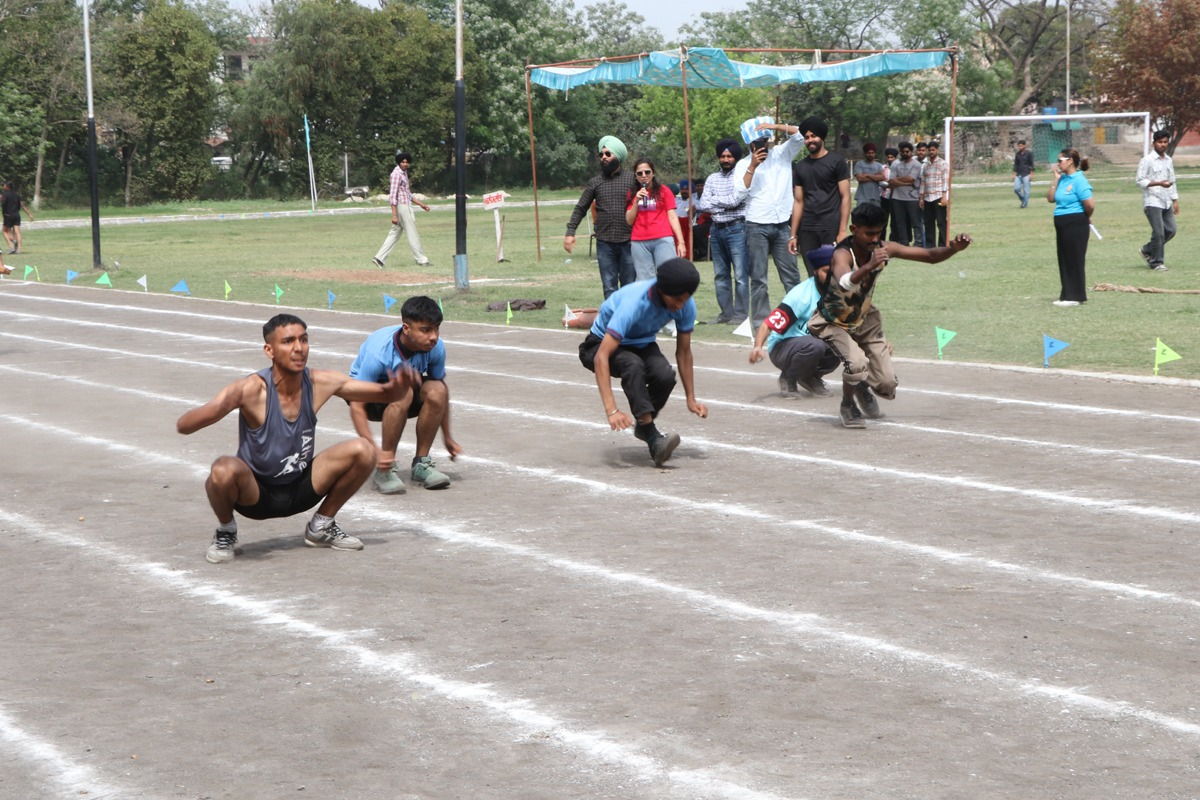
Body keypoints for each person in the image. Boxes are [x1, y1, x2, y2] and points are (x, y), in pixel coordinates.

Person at [176, 313, 420, 564]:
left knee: (363, 449)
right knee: (222, 470)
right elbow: (184, 426)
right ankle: (226, 531)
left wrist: (398, 385)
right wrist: (222, 405)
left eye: (304, 340)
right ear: (269, 350)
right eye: (288, 341)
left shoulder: (320, 381)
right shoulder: (250, 389)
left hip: (301, 487)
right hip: (256, 495)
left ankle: (321, 525)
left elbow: (382, 394)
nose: (298, 348)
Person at [807, 203, 972, 428]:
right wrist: (870, 265)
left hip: (864, 320)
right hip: (833, 320)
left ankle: (862, 385)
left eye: (879, 232)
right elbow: (845, 283)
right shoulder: (842, 254)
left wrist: (953, 248)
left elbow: (930, 256)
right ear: (854, 229)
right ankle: (848, 405)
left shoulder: (885, 248)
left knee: (886, 383)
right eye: (869, 233)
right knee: (856, 364)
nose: (875, 239)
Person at [578, 258, 709, 467]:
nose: (680, 306)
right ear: (661, 290)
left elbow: (684, 353)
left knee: (664, 375)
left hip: (640, 343)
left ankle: (643, 424)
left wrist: (691, 399)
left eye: (685, 299)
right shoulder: (635, 303)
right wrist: (611, 410)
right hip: (598, 345)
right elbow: (600, 356)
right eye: (676, 299)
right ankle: (652, 436)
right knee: (633, 365)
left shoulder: (685, 305)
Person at [347, 296, 462, 494]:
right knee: (404, 392)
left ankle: (421, 464)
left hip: (402, 393)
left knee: (437, 390)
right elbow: (357, 403)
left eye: (436, 328)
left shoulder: (436, 348)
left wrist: (448, 437)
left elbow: (441, 391)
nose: (433, 336)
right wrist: (376, 452)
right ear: (406, 329)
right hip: (367, 397)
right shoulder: (379, 352)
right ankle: (385, 468)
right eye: (426, 330)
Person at [733, 119, 807, 327]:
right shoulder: (742, 165)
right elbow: (739, 193)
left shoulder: (781, 153)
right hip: (756, 225)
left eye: (765, 140)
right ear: (750, 145)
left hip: (783, 224)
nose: (762, 145)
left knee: (791, 275)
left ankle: (799, 319)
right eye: (757, 142)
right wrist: (753, 166)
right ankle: (760, 323)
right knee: (758, 279)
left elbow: (801, 134)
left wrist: (776, 127)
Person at [749, 246, 839, 397]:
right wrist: (757, 347)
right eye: (826, 271)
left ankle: (809, 377)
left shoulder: (840, 293)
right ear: (816, 271)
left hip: (812, 344)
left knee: (842, 343)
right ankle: (788, 378)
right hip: (783, 348)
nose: (831, 275)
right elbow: (768, 324)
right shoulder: (801, 296)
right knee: (815, 345)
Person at [565, 136, 637, 298]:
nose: (603, 157)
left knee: (629, 286)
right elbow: (581, 207)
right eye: (601, 154)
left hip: (629, 241)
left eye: (608, 154)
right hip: (605, 242)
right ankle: (612, 322)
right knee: (609, 287)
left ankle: (627, 321)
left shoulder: (633, 180)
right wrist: (570, 232)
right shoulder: (595, 182)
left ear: (618, 157)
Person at [789, 117, 852, 277]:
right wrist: (793, 235)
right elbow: (798, 201)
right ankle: (818, 303)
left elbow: (846, 197)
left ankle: (835, 303)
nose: (810, 140)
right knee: (813, 276)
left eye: (813, 136)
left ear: (822, 138)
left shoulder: (836, 161)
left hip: (830, 227)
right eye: (807, 137)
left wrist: (842, 231)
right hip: (807, 230)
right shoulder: (800, 167)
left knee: (832, 274)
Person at [696, 137, 749, 324]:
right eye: (723, 156)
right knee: (720, 274)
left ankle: (741, 314)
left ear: (735, 157)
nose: (726, 159)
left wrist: (716, 202)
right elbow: (703, 204)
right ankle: (726, 314)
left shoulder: (741, 178)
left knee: (741, 275)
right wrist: (724, 204)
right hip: (716, 230)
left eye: (729, 156)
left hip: (737, 229)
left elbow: (737, 200)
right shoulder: (712, 178)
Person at [1047, 148, 1094, 306]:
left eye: (1060, 160)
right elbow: (1051, 198)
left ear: (1070, 161)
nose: (1058, 163)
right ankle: (1066, 294)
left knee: (1074, 259)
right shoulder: (1063, 179)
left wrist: (1085, 217)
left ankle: (1076, 296)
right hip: (1061, 223)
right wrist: (1055, 180)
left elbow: (1089, 204)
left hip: (1076, 223)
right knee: (1064, 259)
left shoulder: (1079, 179)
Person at [625, 158, 687, 280]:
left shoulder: (664, 191)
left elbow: (672, 216)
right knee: (644, 280)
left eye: (647, 172)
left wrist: (681, 242)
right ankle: (649, 300)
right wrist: (636, 201)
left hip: (663, 239)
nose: (644, 176)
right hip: (639, 241)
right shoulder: (632, 193)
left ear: (653, 173)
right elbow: (629, 220)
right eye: (640, 173)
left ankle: (668, 299)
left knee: (668, 277)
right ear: (635, 176)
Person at [372, 151, 431, 269]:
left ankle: (379, 258)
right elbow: (393, 195)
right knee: (412, 232)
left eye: (407, 162)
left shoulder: (404, 173)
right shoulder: (396, 174)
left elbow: (407, 193)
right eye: (403, 162)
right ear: (399, 162)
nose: (405, 164)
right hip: (402, 207)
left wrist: (421, 204)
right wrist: (394, 215)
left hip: (405, 204)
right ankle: (421, 259)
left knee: (395, 233)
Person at [1136, 130, 1179, 272]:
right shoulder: (1147, 160)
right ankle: (1156, 262)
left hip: (1166, 201)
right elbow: (1140, 180)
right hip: (1152, 201)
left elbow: (1172, 180)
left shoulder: (1168, 160)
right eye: (1160, 142)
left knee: (1171, 230)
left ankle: (1147, 249)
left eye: (1165, 142)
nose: (1163, 145)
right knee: (1159, 232)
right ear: (1154, 143)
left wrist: (1175, 200)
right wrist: (1158, 183)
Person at [887, 142, 922, 247]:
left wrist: (899, 181)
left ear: (911, 152)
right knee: (900, 222)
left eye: (907, 151)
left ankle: (918, 243)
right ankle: (904, 243)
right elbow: (891, 181)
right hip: (897, 198)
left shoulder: (916, 164)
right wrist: (905, 183)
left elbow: (911, 179)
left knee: (915, 222)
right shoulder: (895, 164)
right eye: (902, 152)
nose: (905, 153)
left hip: (912, 198)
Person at [919, 141, 948, 247]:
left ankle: (943, 244)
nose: (931, 152)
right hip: (927, 198)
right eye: (929, 150)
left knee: (941, 222)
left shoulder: (942, 163)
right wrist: (921, 198)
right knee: (928, 223)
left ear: (937, 150)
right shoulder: (925, 165)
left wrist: (944, 196)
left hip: (938, 197)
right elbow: (923, 182)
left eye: (933, 150)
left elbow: (945, 181)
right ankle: (930, 245)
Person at [1, 181, 34, 255]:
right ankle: (19, 249)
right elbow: (22, 206)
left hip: (8, 215)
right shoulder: (17, 195)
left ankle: (11, 246)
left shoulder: (5, 194)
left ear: (7, 186)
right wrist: (29, 214)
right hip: (17, 215)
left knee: (4, 231)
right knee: (17, 232)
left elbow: (2, 202)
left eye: (4, 185)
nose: (3, 186)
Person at [853, 143, 886, 208]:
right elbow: (860, 178)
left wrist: (867, 175)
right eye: (868, 153)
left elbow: (882, 177)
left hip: (875, 196)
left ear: (875, 153)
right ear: (865, 153)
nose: (870, 155)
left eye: (872, 153)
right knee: (861, 217)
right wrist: (875, 177)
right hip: (862, 197)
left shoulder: (879, 165)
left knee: (875, 217)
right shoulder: (859, 164)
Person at [880, 146, 898, 241]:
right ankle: (881, 240)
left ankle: (893, 240)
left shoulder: (899, 167)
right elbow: (880, 181)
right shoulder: (883, 168)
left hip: (896, 197)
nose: (890, 159)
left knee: (894, 221)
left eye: (892, 157)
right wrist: (889, 184)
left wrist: (892, 183)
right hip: (884, 197)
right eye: (888, 157)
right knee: (883, 220)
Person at [1012, 140, 1035, 208]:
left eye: (1021, 146)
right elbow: (1016, 164)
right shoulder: (1017, 154)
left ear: (1024, 146)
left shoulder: (1029, 153)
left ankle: (1024, 204)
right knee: (1016, 189)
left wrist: (1031, 174)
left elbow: (1032, 164)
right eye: (1019, 146)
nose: (1020, 147)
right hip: (1018, 174)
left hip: (1026, 174)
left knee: (1026, 190)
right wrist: (1013, 174)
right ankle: (1023, 199)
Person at [674, 179, 694, 257]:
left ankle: (687, 256)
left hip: (687, 224)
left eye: (687, 189)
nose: (684, 191)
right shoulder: (675, 200)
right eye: (683, 189)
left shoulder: (693, 201)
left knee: (687, 241)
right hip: (676, 223)